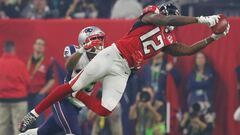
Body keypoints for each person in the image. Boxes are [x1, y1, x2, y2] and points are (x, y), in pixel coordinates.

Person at [19, 3, 230, 132]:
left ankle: (77, 95)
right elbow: (166, 18)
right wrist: (202, 19)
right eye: (171, 17)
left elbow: (187, 50)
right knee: (73, 84)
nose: (172, 23)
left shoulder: (167, 38)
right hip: (113, 55)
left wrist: (213, 37)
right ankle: (34, 113)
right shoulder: (151, 16)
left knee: (105, 110)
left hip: (125, 70)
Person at [19, 26, 105, 135]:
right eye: (95, 39)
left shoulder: (102, 59)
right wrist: (82, 50)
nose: (99, 43)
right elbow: (69, 65)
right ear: (84, 42)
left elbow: (105, 83)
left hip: (77, 106)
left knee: (41, 132)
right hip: (64, 102)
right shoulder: (77, 53)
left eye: (101, 39)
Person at [0, 41, 30, 135]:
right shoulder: (20, 64)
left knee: (2, 126)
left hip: (2, 100)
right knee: (19, 127)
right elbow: (28, 82)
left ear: (4, 49)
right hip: (19, 100)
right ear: (13, 50)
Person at [27, 38, 55, 127]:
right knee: (27, 120)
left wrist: (41, 93)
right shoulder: (27, 60)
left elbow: (52, 80)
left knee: (39, 119)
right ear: (34, 46)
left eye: (42, 44)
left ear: (44, 48)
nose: (39, 46)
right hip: (26, 95)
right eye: (38, 44)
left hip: (38, 95)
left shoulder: (47, 62)